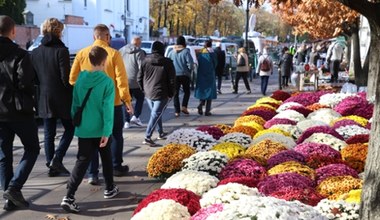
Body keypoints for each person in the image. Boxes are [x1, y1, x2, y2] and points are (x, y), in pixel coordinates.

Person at [69, 24, 133, 183]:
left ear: (94, 37)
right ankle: (115, 166)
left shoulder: (82, 54)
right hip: (113, 102)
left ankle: (92, 173)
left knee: (92, 136)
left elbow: (72, 79)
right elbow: (121, 79)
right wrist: (127, 100)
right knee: (116, 135)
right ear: (107, 37)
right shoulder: (114, 54)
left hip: (90, 105)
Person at [61, 46, 119, 213]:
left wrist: (77, 122)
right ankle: (109, 188)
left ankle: (69, 195)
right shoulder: (107, 82)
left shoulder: (80, 79)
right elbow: (107, 109)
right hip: (101, 129)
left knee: (82, 161)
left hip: (84, 128)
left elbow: (75, 104)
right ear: (104, 61)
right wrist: (107, 131)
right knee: (106, 158)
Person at [0, 15, 40, 211]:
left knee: (4, 154)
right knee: (32, 148)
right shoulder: (20, 54)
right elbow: (25, 83)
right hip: (17, 110)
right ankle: (14, 188)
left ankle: (9, 198)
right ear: (13, 31)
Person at [30, 18, 74, 177]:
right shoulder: (61, 51)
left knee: (49, 133)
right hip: (61, 97)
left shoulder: (35, 52)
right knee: (70, 128)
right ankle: (57, 158)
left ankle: (51, 164)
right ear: (58, 32)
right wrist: (73, 90)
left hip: (43, 96)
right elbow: (65, 78)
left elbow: (33, 78)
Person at [138, 41, 176, 146]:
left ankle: (160, 132)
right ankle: (147, 137)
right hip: (162, 92)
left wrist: (143, 89)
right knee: (156, 114)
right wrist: (171, 93)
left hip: (148, 92)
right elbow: (172, 80)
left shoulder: (145, 60)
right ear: (162, 49)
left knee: (155, 114)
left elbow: (139, 77)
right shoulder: (168, 62)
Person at [119, 36, 146, 128]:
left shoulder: (121, 50)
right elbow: (141, 68)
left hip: (124, 79)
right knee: (140, 98)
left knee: (126, 101)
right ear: (138, 43)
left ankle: (126, 121)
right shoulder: (139, 52)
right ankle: (135, 116)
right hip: (136, 81)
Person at [167, 36, 194, 117]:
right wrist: (190, 70)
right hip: (184, 75)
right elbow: (191, 63)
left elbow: (168, 63)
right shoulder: (186, 51)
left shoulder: (171, 52)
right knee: (187, 91)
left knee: (175, 93)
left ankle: (177, 111)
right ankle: (184, 106)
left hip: (174, 75)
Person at [195, 40, 217, 116]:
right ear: (211, 45)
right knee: (209, 93)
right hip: (210, 74)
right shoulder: (212, 53)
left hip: (201, 74)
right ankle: (207, 111)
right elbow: (215, 63)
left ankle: (200, 105)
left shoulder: (200, 53)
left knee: (202, 91)